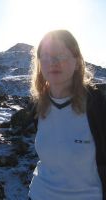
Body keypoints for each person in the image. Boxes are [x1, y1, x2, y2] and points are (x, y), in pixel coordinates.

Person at [28, 29, 106, 200]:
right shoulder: (38, 105)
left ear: (77, 61)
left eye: (61, 55)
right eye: (46, 57)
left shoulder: (97, 105)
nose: (53, 62)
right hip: (39, 195)